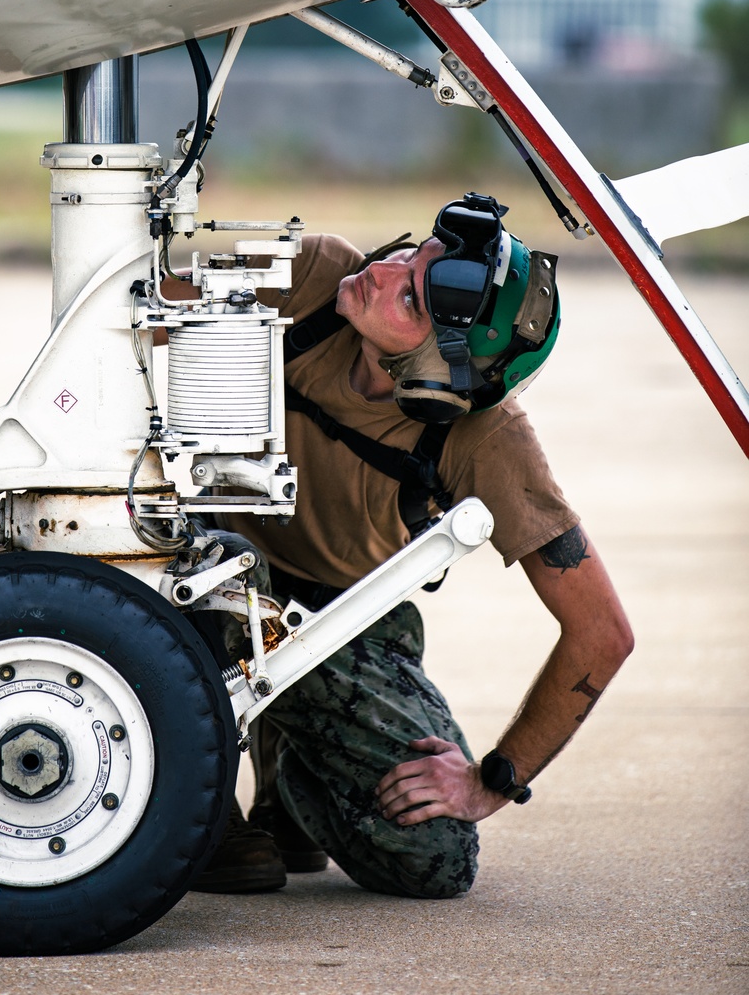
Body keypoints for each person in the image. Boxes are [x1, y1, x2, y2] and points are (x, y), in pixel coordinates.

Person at [188, 194, 634, 897]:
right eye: (410, 255)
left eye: (411, 297)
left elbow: (601, 632)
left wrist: (491, 781)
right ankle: (194, 809)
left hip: (337, 627)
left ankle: (293, 784)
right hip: (203, 582)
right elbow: (129, 301)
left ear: (438, 369)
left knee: (434, 857)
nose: (385, 269)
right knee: (196, 574)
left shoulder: (488, 439)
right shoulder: (314, 275)